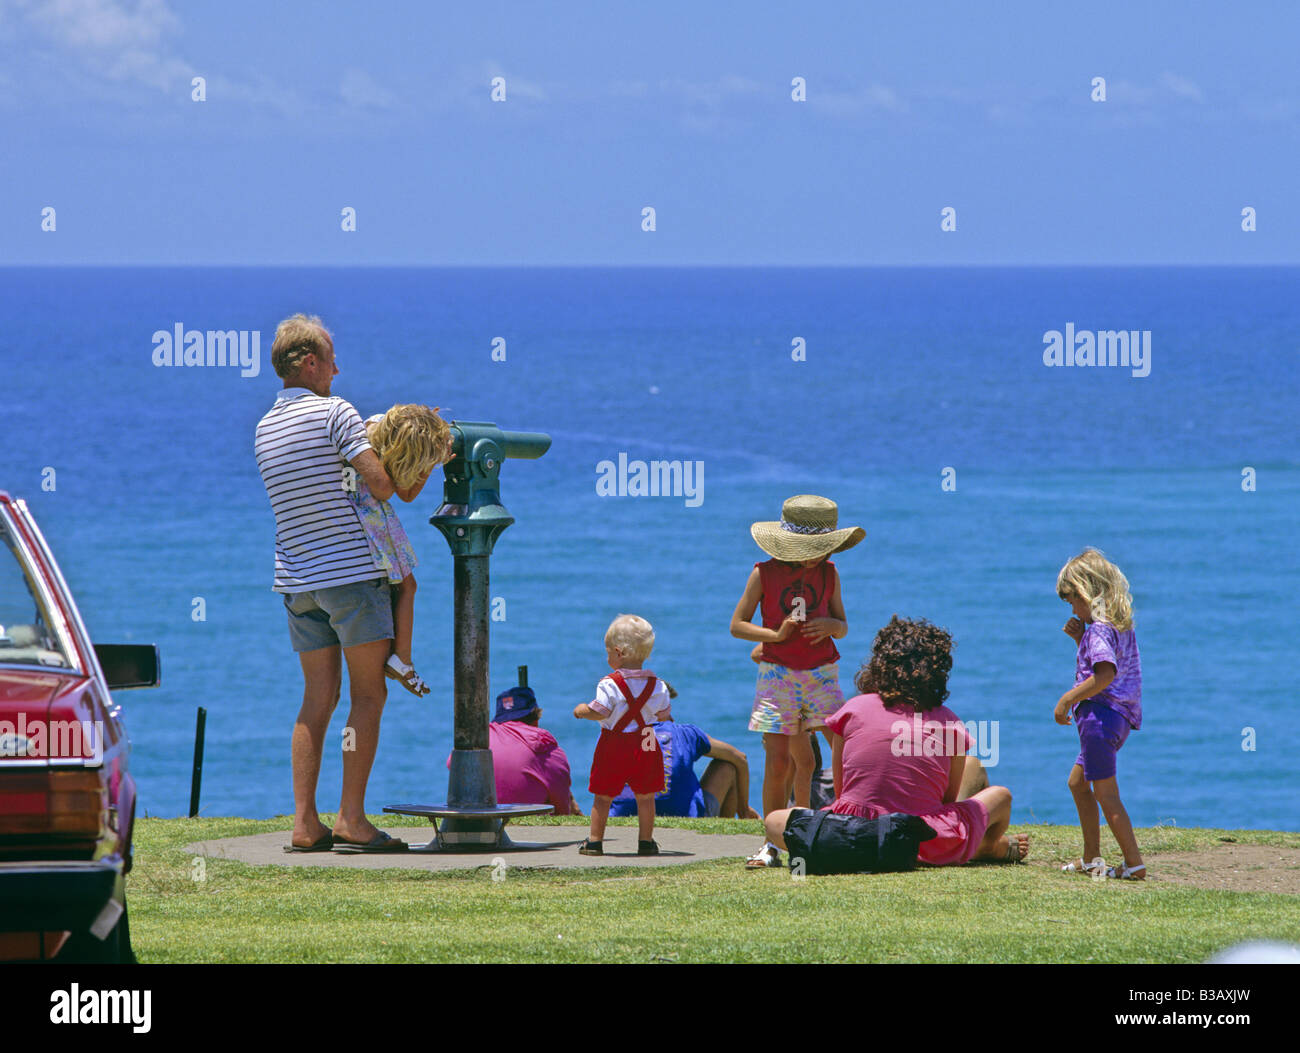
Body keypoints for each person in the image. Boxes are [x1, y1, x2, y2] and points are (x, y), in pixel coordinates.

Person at [254, 313, 406, 853]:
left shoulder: (265, 426)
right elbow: (384, 485)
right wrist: (427, 454)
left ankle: (304, 823)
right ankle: (351, 819)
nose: (338, 371)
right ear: (311, 362)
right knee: (369, 694)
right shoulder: (335, 413)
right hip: (349, 576)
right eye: (332, 360)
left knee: (317, 698)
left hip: (297, 581)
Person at [765, 615, 1029, 867]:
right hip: (920, 840)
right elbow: (946, 802)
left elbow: (842, 789)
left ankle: (872, 851)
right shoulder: (950, 723)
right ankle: (987, 847)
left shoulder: (852, 710)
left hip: (851, 831)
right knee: (1001, 796)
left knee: (775, 820)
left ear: (879, 664)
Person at [729, 494, 863, 868]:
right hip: (777, 675)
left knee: (840, 747)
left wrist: (831, 627)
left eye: (820, 549)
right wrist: (776, 635)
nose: (813, 558)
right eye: (807, 549)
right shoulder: (763, 573)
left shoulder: (830, 573)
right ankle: (772, 844)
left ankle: (843, 823)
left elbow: (843, 624)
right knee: (777, 762)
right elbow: (737, 625)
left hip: (822, 673)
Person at [347, 404, 452, 697]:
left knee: (404, 585)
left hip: (363, 518)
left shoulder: (380, 432)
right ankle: (401, 659)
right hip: (371, 519)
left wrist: (427, 459)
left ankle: (400, 656)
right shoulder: (373, 442)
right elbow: (399, 493)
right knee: (407, 586)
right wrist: (430, 459)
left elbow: (404, 493)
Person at [1055, 548, 1145, 880]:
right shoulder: (1117, 625)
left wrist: (1067, 699)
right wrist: (1081, 639)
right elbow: (1109, 665)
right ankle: (1092, 857)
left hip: (1099, 718)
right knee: (1078, 783)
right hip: (1117, 718)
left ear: (1087, 594)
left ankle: (1134, 863)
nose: (1073, 609)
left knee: (1106, 794)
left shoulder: (1099, 630)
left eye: (1073, 601)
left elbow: (1104, 675)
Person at [573, 614, 672, 855]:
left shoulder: (609, 683)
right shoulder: (657, 685)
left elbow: (600, 711)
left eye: (607, 652)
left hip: (615, 741)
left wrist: (581, 710)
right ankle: (646, 841)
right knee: (646, 796)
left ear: (618, 652)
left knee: (603, 795)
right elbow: (663, 715)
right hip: (647, 740)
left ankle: (595, 841)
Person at [609, 683, 759, 819]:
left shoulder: (615, 736)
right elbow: (740, 758)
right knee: (727, 766)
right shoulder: (685, 732)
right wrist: (743, 809)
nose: (672, 718)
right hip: (685, 815)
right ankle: (723, 835)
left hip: (622, 816)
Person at [452, 685, 581, 815]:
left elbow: (451, 763)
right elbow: (562, 809)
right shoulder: (546, 746)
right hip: (526, 819)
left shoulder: (479, 736)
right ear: (536, 719)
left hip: (476, 815)